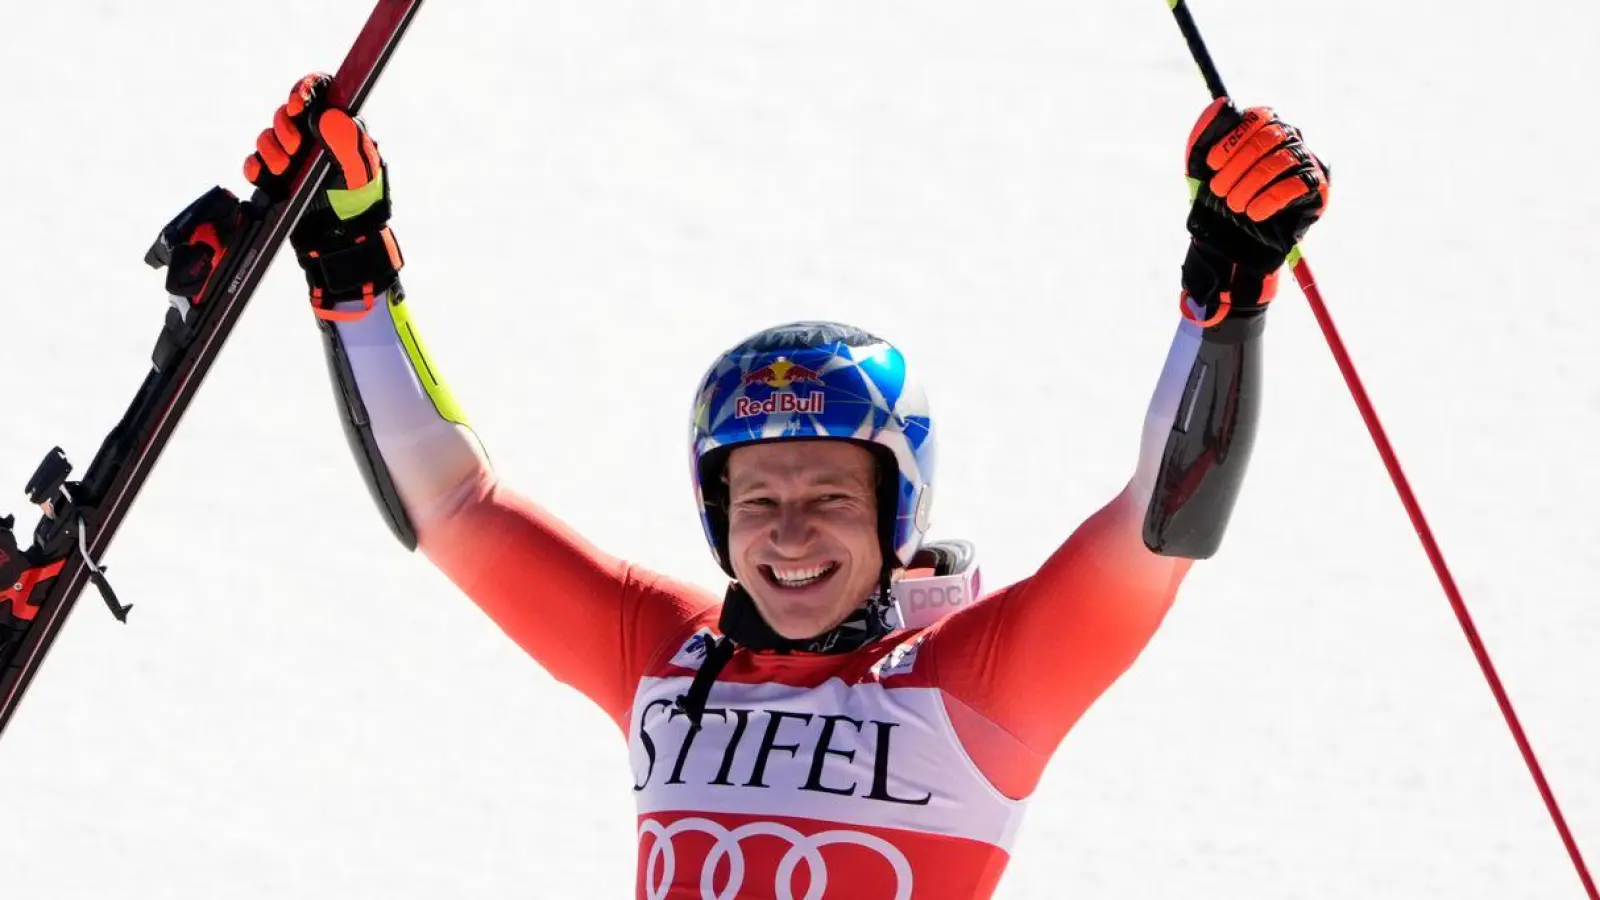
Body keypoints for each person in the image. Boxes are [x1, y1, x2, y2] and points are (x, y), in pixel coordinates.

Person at [164, 72, 1328, 899]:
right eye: (756, 501)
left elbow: (1157, 525)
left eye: (828, 494)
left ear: (895, 509)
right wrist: (352, 272)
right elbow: (452, 511)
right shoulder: (663, 655)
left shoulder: (979, 688)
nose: (788, 535)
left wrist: (1225, 290)